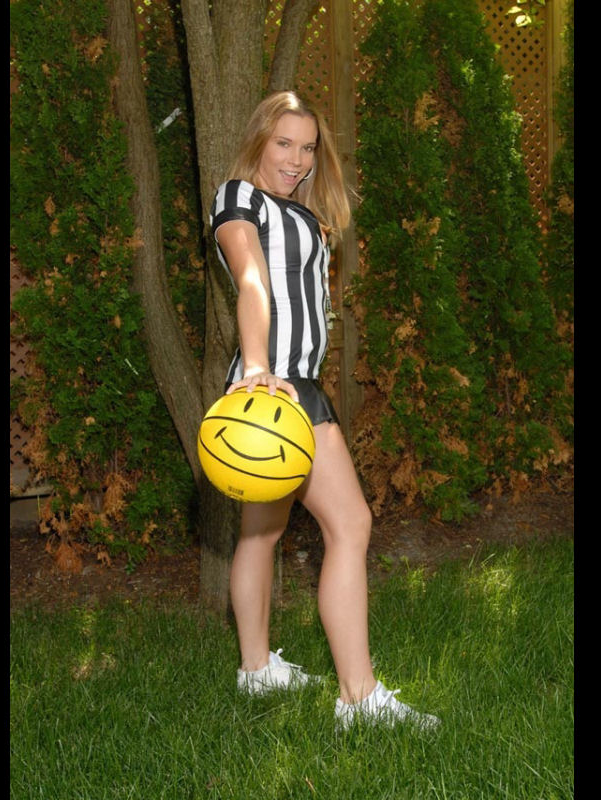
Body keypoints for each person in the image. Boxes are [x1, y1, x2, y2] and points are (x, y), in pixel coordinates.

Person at [209, 90, 440, 731]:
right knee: (351, 524)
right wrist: (258, 368)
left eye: (307, 147)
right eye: (283, 143)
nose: (296, 159)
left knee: (261, 533)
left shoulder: (300, 213)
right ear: (258, 140)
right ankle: (358, 699)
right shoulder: (239, 198)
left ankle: (256, 670)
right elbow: (251, 278)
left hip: (287, 385)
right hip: (276, 390)